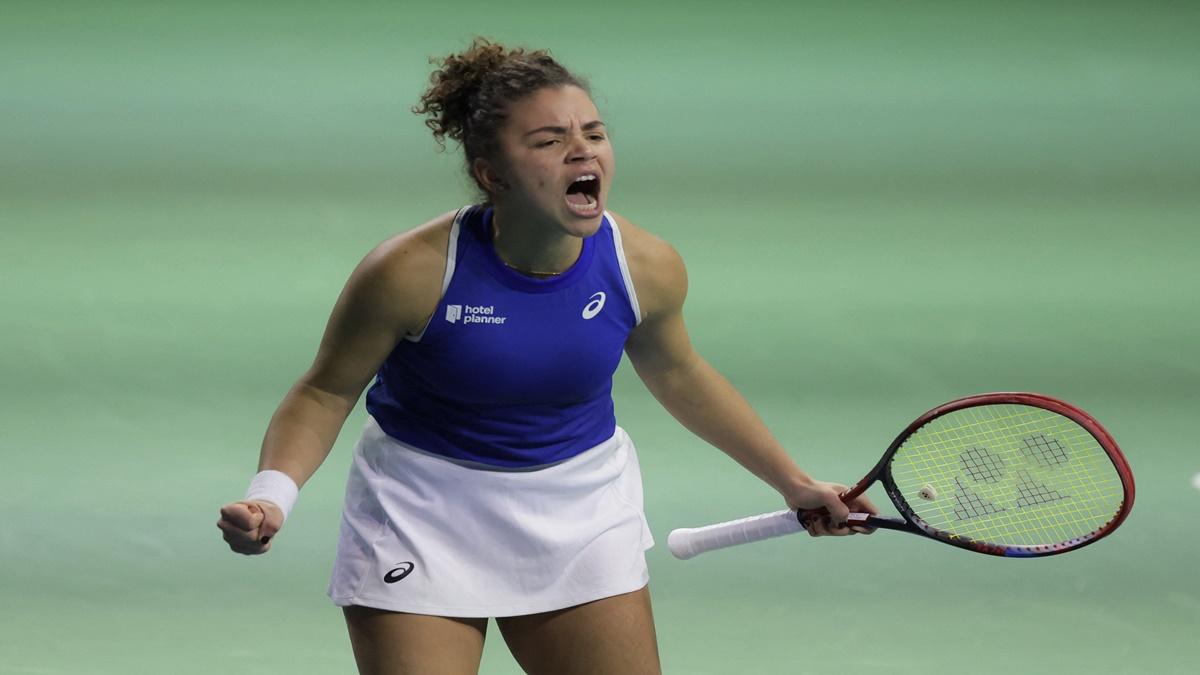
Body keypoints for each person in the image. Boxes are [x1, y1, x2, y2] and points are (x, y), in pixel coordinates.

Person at [217, 37, 877, 675]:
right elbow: (326, 391)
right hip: (421, 509)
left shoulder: (643, 266)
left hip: (580, 509)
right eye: (549, 140)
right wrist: (271, 496)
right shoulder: (410, 272)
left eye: (592, 132)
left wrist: (792, 481)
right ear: (490, 174)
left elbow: (682, 374)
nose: (581, 150)